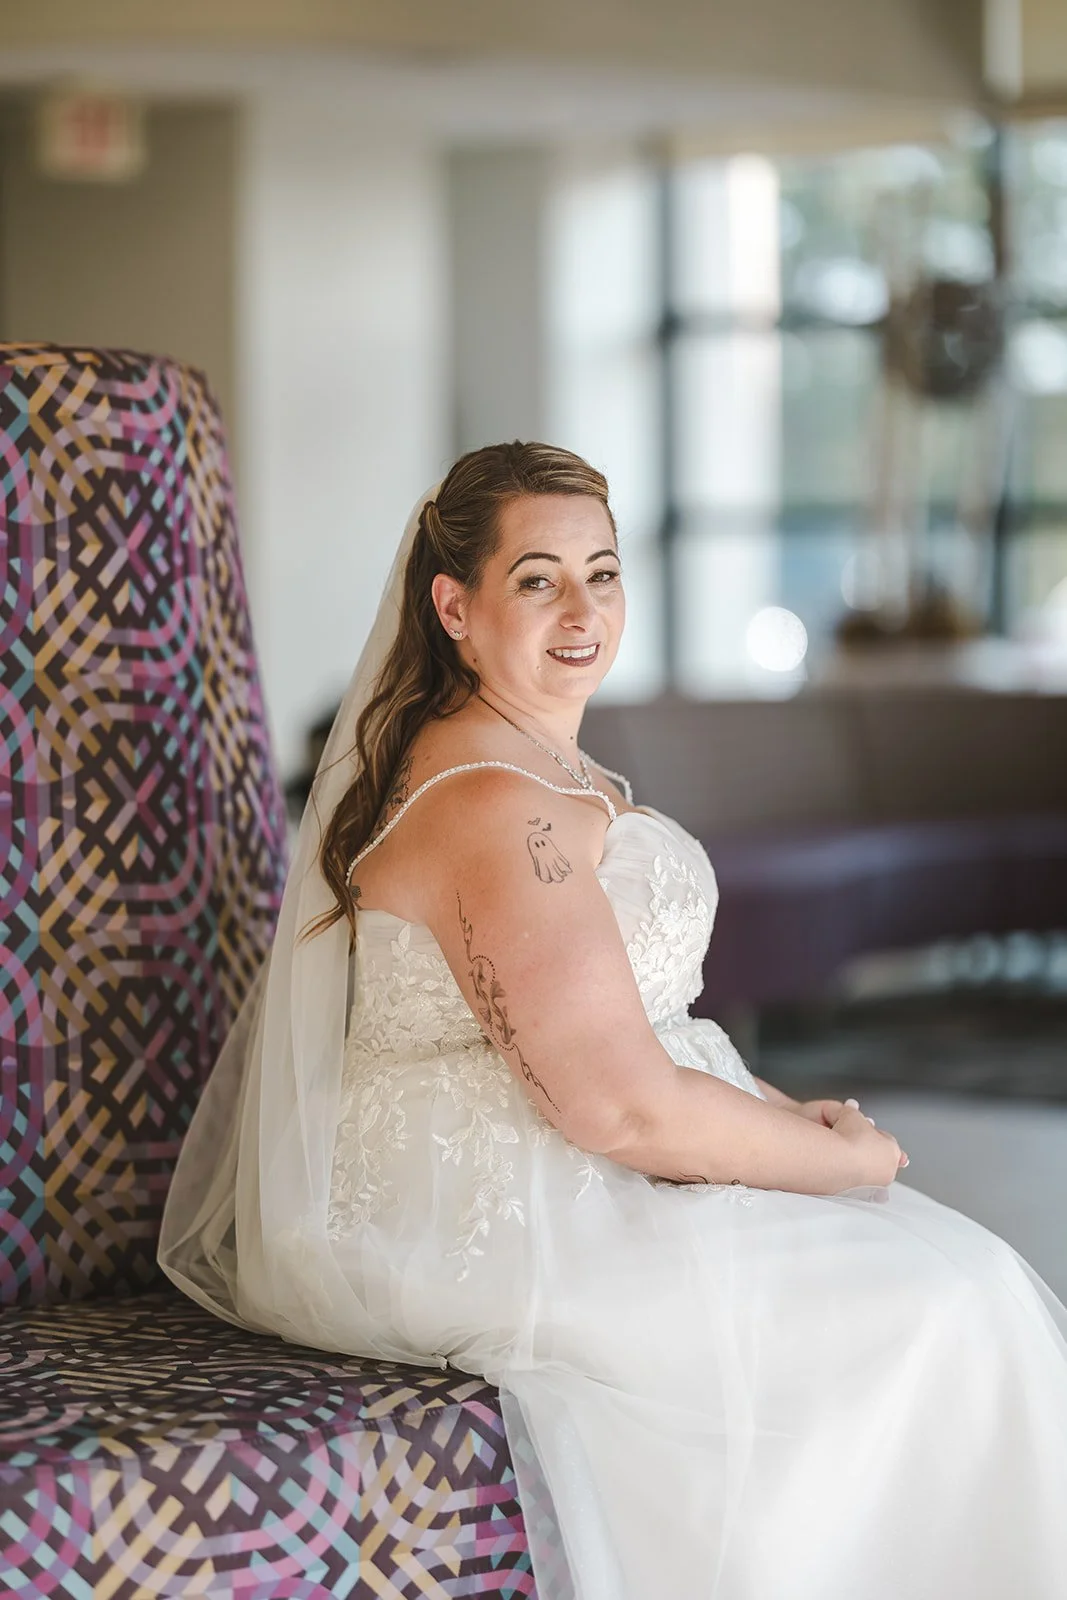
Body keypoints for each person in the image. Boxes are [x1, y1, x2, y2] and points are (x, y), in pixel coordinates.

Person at [160, 441, 1067, 1600]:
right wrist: (840, 1164)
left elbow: (629, 1028)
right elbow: (610, 1101)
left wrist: (780, 1116)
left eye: (603, 570)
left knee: (951, 1276)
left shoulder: (534, 761)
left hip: (572, 1136)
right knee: (946, 1300)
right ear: (455, 607)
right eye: (537, 578)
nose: (583, 610)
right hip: (482, 1194)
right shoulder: (492, 801)